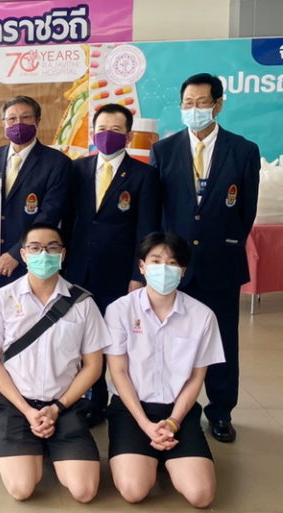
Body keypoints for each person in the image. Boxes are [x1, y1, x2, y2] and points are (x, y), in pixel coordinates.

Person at [151, 73, 260, 443]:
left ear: (218, 105)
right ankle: (173, 411)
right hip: (173, 268)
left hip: (220, 263)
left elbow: (245, 211)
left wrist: (226, 245)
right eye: (188, 103)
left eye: (201, 103)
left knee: (222, 340)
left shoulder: (243, 150)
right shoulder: (164, 150)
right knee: (171, 340)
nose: (193, 109)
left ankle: (221, 412)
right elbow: (159, 210)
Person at [0, 223, 110, 503]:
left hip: (66, 404)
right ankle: (37, 441)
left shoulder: (83, 303)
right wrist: (27, 410)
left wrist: (56, 408)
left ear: (63, 254)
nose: (44, 254)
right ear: (24, 254)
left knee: (84, 491)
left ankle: (49, 441)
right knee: (21, 489)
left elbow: (93, 366)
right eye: (35, 248)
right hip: (18, 404)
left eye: (52, 247)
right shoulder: (2, 299)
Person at [105, 232, 224, 508]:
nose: (164, 268)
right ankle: (152, 455)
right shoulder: (119, 310)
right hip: (132, 409)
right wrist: (145, 424)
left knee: (201, 496)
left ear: (183, 270)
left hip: (178, 410)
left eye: (172, 263)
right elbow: (118, 372)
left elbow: (196, 378)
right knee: (134, 491)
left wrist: (173, 422)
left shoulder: (202, 316)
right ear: (142, 266)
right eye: (156, 261)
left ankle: (164, 453)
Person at [63, 103, 161, 424]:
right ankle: (86, 397)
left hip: (118, 274)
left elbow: (147, 230)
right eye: (102, 129)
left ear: (129, 136)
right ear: (93, 133)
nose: (107, 135)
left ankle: (113, 399)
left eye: (116, 130)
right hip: (77, 270)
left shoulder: (144, 175)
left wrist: (138, 275)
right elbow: (67, 219)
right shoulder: (76, 169)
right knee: (80, 336)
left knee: (113, 338)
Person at [0, 95, 72, 419]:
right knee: (1, 335)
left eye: (25, 117)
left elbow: (49, 214)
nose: (18, 124)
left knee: (33, 334)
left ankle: (37, 396)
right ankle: (3, 396)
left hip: (32, 263)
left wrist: (15, 255)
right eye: (11, 119)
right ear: (3, 123)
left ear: (38, 121)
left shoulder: (56, 163)